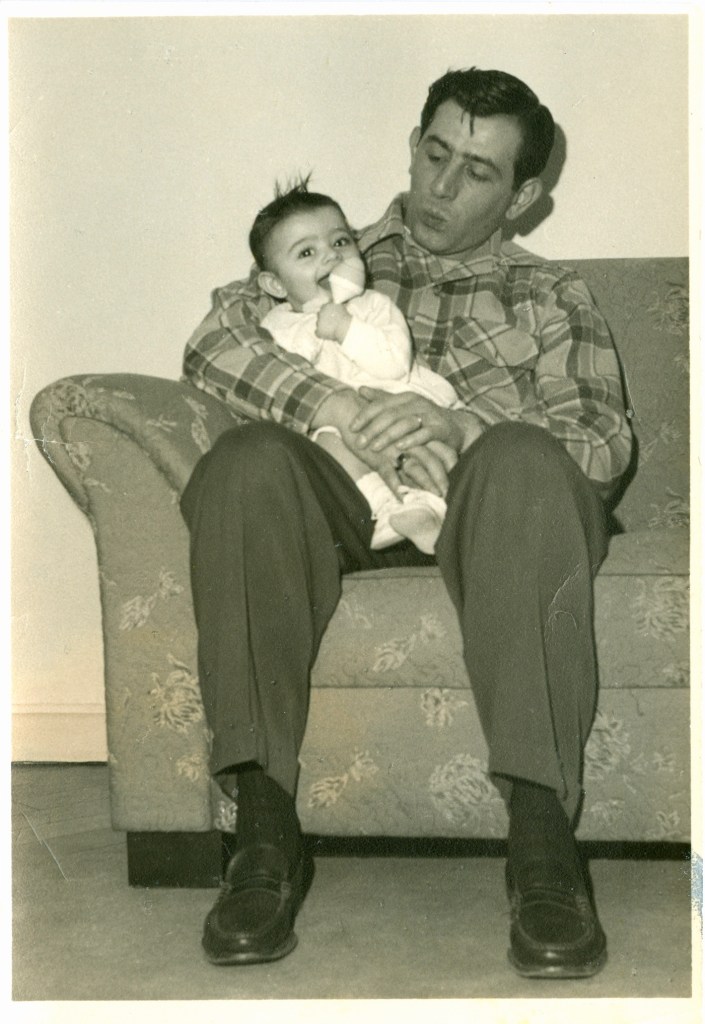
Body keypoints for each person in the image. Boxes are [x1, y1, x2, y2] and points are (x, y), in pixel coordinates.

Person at [179, 67, 633, 977]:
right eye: (434, 153)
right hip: (342, 500)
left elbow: (600, 439)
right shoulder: (320, 248)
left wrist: (463, 430)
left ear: (523, 196)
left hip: (490, 514)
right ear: (412, 144)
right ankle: (262, 835)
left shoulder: (551, 295)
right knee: (245, 460)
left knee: (521, 455)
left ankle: (542, 846)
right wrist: (339, 409)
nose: (439, 185)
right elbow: (213, 344)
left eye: (476, 171)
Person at [251, 179, 467, 553]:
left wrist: (347, 329)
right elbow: (274, 380)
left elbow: (393, 365)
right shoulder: (276, 327)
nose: (331, 257)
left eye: (340, 242)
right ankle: (386, 506)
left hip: (399, 401)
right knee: (327, 442)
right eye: (306, 252)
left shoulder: (373, 306)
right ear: (275, 284)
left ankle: (429, 506)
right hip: (339, 427)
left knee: (418, 441)